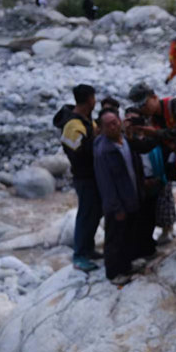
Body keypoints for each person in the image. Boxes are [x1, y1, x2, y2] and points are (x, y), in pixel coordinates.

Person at [127, 82, 176, 248]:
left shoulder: (175, 105)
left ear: (154, 97)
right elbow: (150, 145)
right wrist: (130, 138)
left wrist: (154, 132)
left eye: (144, 104)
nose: (143, 109)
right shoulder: (151, 119)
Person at [93, 109, 147, 285]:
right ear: (101, 129)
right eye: (108, 125)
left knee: (129, 234)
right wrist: (116, 207)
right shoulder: (104, 152)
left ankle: (127, 265)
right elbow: (105, 183)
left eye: (115, 122)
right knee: (115, 238)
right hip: (118, 203)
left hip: (132, 196)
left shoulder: (125, 141)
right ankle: (114, 272)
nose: (114, 126)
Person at [60, 84, 102, 273]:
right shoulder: (72, 125)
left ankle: (88, 248)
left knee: (94, 213)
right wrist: (96, 138)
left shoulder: (85, 120)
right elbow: (77, 153)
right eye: (94, 98)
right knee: (86, 213)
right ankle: (79, 255)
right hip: (84, 177)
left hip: (93, 175)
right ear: (89, 100)